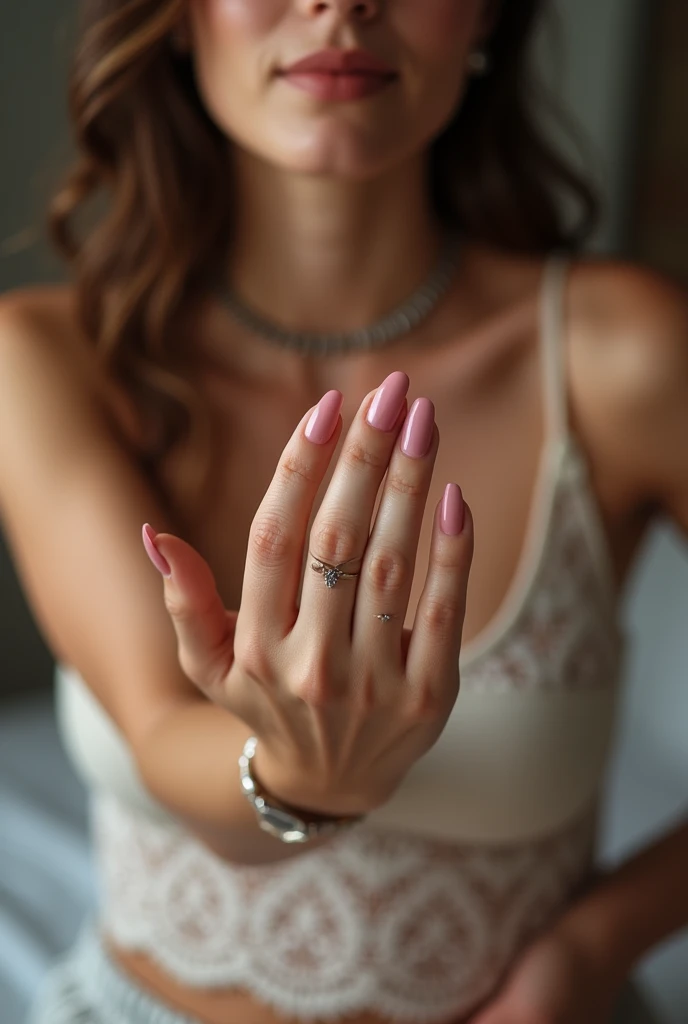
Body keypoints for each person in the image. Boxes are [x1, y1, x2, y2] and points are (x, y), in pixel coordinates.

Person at [0, 0, 686, 1021]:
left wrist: (588, 948)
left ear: (486, 18)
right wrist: (295, 773)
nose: (339, 5)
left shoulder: (621, 357)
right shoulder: (53, 359)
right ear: (181, 19)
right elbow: (162, 734)